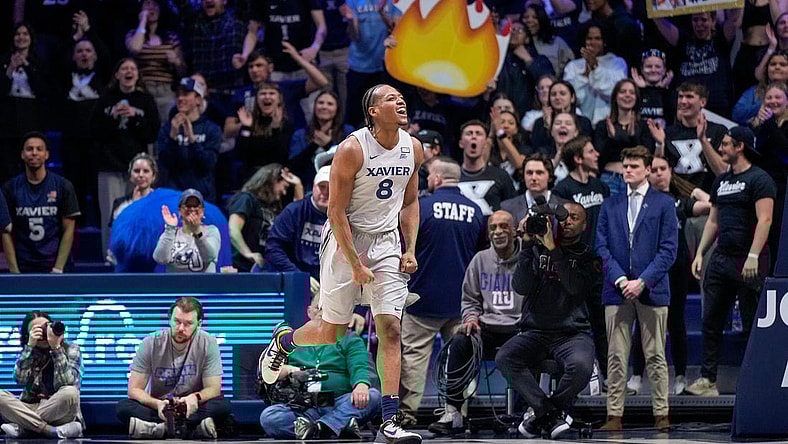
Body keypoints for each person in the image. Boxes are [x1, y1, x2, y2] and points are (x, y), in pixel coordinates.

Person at [258, 84, 424, 444]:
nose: (400, 101)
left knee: (391, 329)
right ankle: (284, 342)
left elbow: (410, 202)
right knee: (331, 333)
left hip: (387, 241)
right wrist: (355, 263)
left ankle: (390, 422)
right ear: (373, 112)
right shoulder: (352, 149)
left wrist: (410, 248)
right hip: (344, 238)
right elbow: (335, 212)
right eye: (391, 98)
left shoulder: (413, 147)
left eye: (401, 97)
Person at [686, 127, 776, 397]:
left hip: (748, 260)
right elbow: (713, 220)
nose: (721, 148)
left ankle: (756, 380)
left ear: (740, 146)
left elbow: (765, 220)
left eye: (725, 144)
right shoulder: (721, 181)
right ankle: (708, 380)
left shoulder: (760, 179)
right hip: (722, 257)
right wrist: (700, 253)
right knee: (710, 320)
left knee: (752, 324)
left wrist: (753, 255)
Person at [496, 202, 598, 439]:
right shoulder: (534, 249)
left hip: (572, 334)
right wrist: (526, 246)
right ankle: (550, 414)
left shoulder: (589, 256)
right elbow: (521, 287)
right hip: (535, 332)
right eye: (564, 217)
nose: (567, 221)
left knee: (581, 367)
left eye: (574, 218)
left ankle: (542, 413)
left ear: (584, 225)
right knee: (505, 357)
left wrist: (553, 249)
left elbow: (574, 287)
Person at [399, 156, 485, 427]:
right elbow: (479, 256)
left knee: (414, 359)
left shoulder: (422, 207)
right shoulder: (476, 211)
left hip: (422, 298)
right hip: (461, 302)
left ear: (437, 178)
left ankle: (407, 414)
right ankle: (460, 412)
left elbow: (405, 249)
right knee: (462, 358)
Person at [595, 146, 677, 431]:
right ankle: (614, 415)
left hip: (652, 288)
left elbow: (668, 250)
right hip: (616, 289)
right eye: (625, 166)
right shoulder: (610, 204)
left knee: (655, 354)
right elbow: (601, 247)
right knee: (616, 356)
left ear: (647, 169)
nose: (627, 171)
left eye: (633, 166)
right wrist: (620, 280)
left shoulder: (664, 203)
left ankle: (661, 414)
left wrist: (642, 281)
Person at [426, 209, 522, 434]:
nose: (498, 232)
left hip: (519, 329)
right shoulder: (480, 260)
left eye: (504, 226)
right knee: (459, 342)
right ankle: (453, 412)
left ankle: (525, 413)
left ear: (514, 230)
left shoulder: (526, 260)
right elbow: (470, 298)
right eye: (493, 228)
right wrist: (470, 318)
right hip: (486, 328)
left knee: (530, 346)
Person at [627, 155, 711, 396]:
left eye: (663, 169)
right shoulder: (641, 201)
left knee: (675, 322)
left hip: (675, 269)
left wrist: (690, 188)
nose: (658, 173)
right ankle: (636, 376)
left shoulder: (679, 202)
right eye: (654, 169)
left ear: (671, 171)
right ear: (647, 173)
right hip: (647, 268)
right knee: (643, 322)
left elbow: (710, 204)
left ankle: (681, 376)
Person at [259, 297, 381, 439]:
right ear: (309, 311)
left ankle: (317, 428)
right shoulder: (293, 340)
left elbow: (360, 365)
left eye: (328, 308)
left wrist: (361, 385)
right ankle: (335, 426)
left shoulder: (350, 339)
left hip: (339, 403)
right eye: (318, 308)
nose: (322, 313)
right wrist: (287, 370)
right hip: (303, 408)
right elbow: (269, 368)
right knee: (269, 417)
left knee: (373, 396)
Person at [116, 297, 232, 438]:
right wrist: (158, 404)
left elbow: (213, 388)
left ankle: (159, 429)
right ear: (169, 320)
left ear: (199, 324)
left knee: (223, 406)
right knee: (124, 407)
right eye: (177, 322)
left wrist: (195, 398)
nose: (181, 328)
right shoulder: (150, 342)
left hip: (192, 406)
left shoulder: (208, 343)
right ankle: (191, 429)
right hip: (160, 406)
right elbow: (134, 390)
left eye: (188, 324)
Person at [91, 57, 160, 255]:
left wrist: (135, 116)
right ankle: (111, 256)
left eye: (132, 69)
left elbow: (152, 134)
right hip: (109, 165)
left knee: (139, 213)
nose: (128, 71)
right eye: (124, 68)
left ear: (137, 75)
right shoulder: (105, 99)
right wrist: (112, 118)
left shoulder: (145, 100)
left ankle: (139, 254)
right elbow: (94, 131)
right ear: (117, 75)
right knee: (111, 215)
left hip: (138, 169)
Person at [1, 132, 80, 274]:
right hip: (23, 265)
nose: (34, 153)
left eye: (39, 149)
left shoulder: (63, 186)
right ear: (22, 154)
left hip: (55, 265)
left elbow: (69, 229)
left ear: (47, 154)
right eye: (29, 149)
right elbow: (5, 231)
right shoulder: (9, 188)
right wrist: (14, 271)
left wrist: (58, 268)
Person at [0, 311, 83, 438]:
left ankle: (24, 427)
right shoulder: (28, 352)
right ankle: (50, 430)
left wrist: (56, 348)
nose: (43, 333)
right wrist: (29, 347)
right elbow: (20, 379)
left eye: (46, 327)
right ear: (28, 335)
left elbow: (67, 382)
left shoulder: (72, 349)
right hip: (29, 407)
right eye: (37, 330)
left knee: (70, 392)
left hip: (59, 409)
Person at [653, 10, 742, 117]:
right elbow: (659, 21)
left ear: (713, 21)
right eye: (695, 20)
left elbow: (734, 20)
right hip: (686, 106)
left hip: (716, 108)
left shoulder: (720, 39)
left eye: (704, 20)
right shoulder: (683, 40)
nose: (699, 24)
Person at [648, 81, 728, 191]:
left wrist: (703, 140)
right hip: (677, 197)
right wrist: (660, 144)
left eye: (689, 96)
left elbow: (723, 172)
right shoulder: (667, 133)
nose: (683, 101)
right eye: (680, 97)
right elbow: (657, 172)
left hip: (710, 195)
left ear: (703, 102)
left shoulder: (718, 131)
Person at [227, 163, 303, 273]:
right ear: (273, 180)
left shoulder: (274, 208)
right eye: (284, 187)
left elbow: (297, 217)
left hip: (265, 270)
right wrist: (248, 253)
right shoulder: (247, 199)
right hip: (244, 270)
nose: (284, 192)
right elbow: (233, 229)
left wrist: (298, 185)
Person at [157, 77, 222, 203]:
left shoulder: (212, 129)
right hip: (174, 196)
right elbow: (165, 164)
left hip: (203, 198)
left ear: (198, 99)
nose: (180, 98)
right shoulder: (167, 129)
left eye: (186, 94)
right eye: (178, 95)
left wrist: (192, 139)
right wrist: (173, 137)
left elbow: (207, 164)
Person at [265, 165, 331, 283]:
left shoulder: (346, 214)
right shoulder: (294, 211)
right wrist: (299, 277)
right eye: (322, 187)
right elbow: (273, 248)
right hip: (295, 279)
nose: (325, 192)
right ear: (313, 187)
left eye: (331, 188)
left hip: (330, 281)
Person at [594, 78, 653, 196]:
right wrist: (611, 138)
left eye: (631, 92)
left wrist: (633, 137)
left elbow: (648, 154)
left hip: (638, 179)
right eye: (623, 92)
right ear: (615, 97)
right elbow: (598, 155)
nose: (627, 95)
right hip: (610, 179)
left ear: (636, 98)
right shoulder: (603, 126)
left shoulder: (643, 126)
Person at [562, 21, 627, 125]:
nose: (593, 42)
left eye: (597, 38)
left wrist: (595, 68)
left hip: (609, 122)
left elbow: (615, 93)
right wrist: (586, 73)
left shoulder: (617, 63)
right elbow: (570, 98)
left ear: (605, 41)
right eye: (589, 38)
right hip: (580, 123)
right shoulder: (573, 66)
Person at [457, 119, 517, 216]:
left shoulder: (500, 175)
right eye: (469, 133)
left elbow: (513, 208)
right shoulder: (453, 176)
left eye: (478, 133)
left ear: (485, 143)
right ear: (461, 143)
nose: (474, 137)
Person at [152, 188, 221, 273]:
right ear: (180, 211)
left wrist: (197, 232)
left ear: (202, 211)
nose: (192, 209)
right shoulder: (172, 233)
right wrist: (170, 228)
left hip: (204, 281)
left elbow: (209, 257)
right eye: (188, 206)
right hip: (176, 281)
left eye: (196, 206)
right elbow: (160, 259)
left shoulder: (211, 231)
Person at [501, 153, 569, 224]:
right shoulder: (506, 208)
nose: (533, 178)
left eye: (539, 173)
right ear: (523, 176)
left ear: (550, 177)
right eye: (529, 173)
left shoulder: (565, 207)